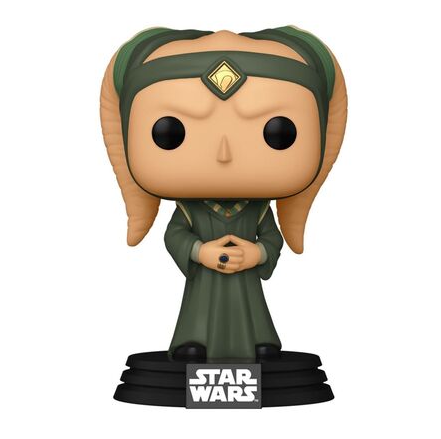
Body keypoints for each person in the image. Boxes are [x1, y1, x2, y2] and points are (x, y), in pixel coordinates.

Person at [100, 26, 347, 360]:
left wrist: (257, 254)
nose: (224, 154)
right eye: (170, 132)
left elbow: (271, 239)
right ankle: (194, 341)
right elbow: (174, 236)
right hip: (205, 276)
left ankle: (258, 340)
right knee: (199, 310)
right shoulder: (190, 209)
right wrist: (199, 252)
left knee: (251, 310)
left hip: (245, 277)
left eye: (278, 133)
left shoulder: (257, 209)